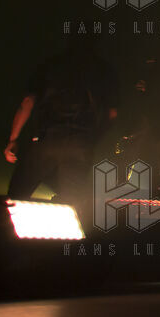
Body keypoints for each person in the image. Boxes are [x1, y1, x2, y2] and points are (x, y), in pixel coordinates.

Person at [6, 38, 118, 225]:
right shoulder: (104, 71)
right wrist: (93, 140)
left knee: (18, 192)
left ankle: (6, 234)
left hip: (48, 138)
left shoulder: (52, 64)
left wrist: (13, 139)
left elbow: (28, 102)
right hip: (81, 144)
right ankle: (66, 240)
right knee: (72, 203)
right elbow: (112, 113)